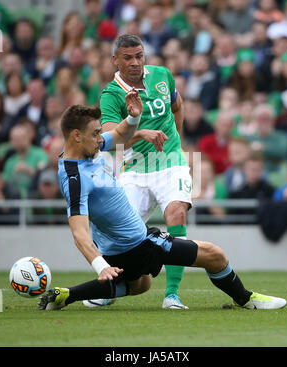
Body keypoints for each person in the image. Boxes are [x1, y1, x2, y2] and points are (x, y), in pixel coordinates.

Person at [38, 102, 286, 311]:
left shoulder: (86, 150)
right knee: (215, 255)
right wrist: (101, 266)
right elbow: (79, 234)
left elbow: (119, 135)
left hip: (123, 244)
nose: (99, 138)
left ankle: (67, 295)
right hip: (136, 244)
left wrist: (134, 116)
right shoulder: (74, 178)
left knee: (141, 284)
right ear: (76, 136)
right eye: (94, 133)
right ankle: (246, 299)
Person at [99, 34, 193, 309]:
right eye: (127, 58)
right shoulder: (111, 94)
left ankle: (172, 294)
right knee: (119, 234)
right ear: (115, 60)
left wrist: (176, 139)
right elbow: (107, 140)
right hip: (135, 168)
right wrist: (139, 133)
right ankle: (112, 287)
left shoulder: (162, 75)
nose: (135, 62)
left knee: (177, 212)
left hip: (170, 162)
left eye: (139, 56)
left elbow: (177, 105)